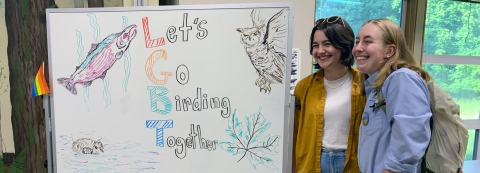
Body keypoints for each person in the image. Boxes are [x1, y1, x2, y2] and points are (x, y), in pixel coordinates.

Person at [353, 18, 432, 173]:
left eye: (367, 42)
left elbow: (410, 139)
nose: (357, 48)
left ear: (389, 51)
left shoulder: (402, 78)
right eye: (357, 41)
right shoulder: (377, 86)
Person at [293, 16, 366, 173]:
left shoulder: (364, 84)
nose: (320, 51)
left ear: (344, 46)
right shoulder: (304, 87)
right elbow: (295, 133)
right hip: (314, 161)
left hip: (353, 163)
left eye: (327, 44)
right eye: (315, 45)